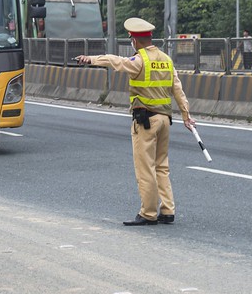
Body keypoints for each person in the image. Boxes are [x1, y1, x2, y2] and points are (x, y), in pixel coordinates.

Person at [76, 17, 196, 226]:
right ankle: (167, 210)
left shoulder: (139, 60)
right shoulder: (166, 60)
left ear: (135, 40)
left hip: (146, 122)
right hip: (165, 120)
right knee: (161, 167)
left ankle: (148, 213)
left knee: (145, 168)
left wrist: (91, 59)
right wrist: (186, 116)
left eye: (131, 39)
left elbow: (117, 62)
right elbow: (178, 90)